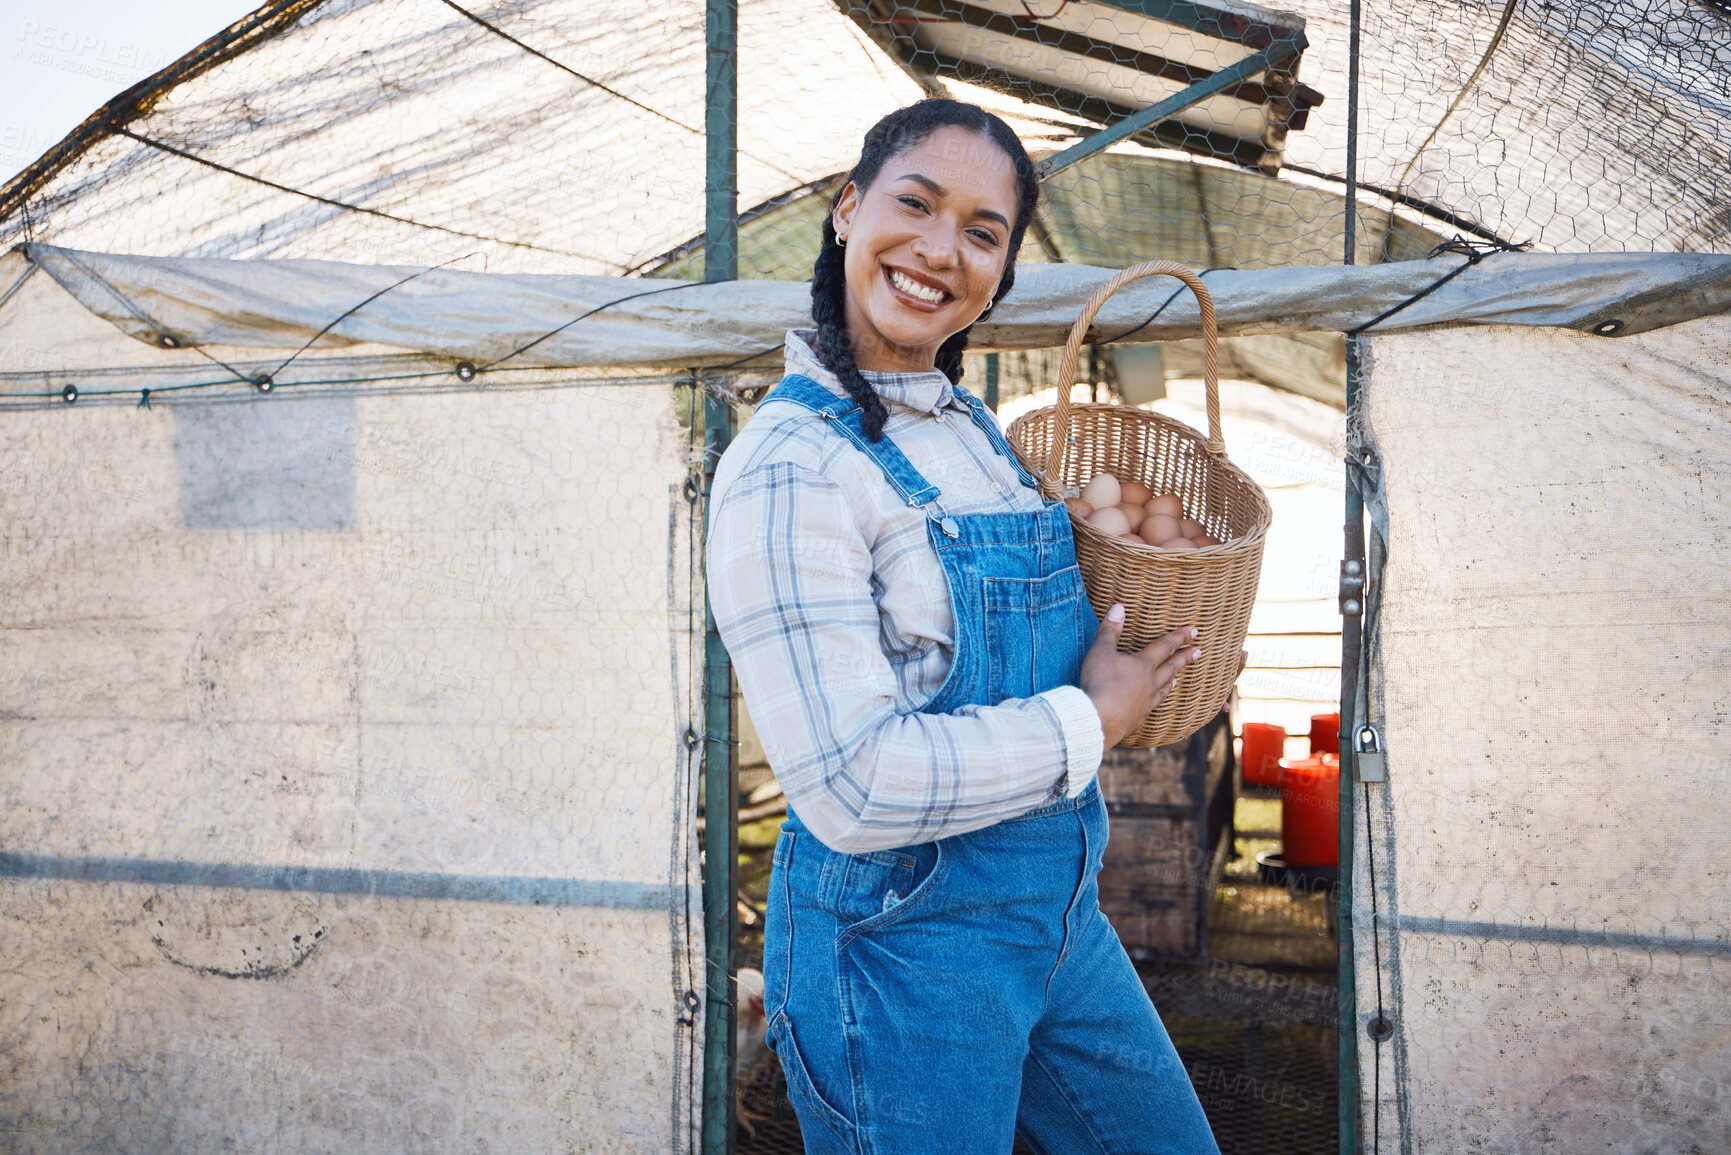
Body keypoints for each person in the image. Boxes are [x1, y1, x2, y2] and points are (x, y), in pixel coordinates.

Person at [707, 99, 1224, 1154]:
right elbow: (853, 783)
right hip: (898, 950)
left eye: (983, 232)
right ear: (848, 211)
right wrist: (1093, 720)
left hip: (1054, 915)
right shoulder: (791, 468)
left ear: (1001, 269)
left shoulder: (967, 426)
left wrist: (1154, 624)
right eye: (916, 203)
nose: (942, 250)